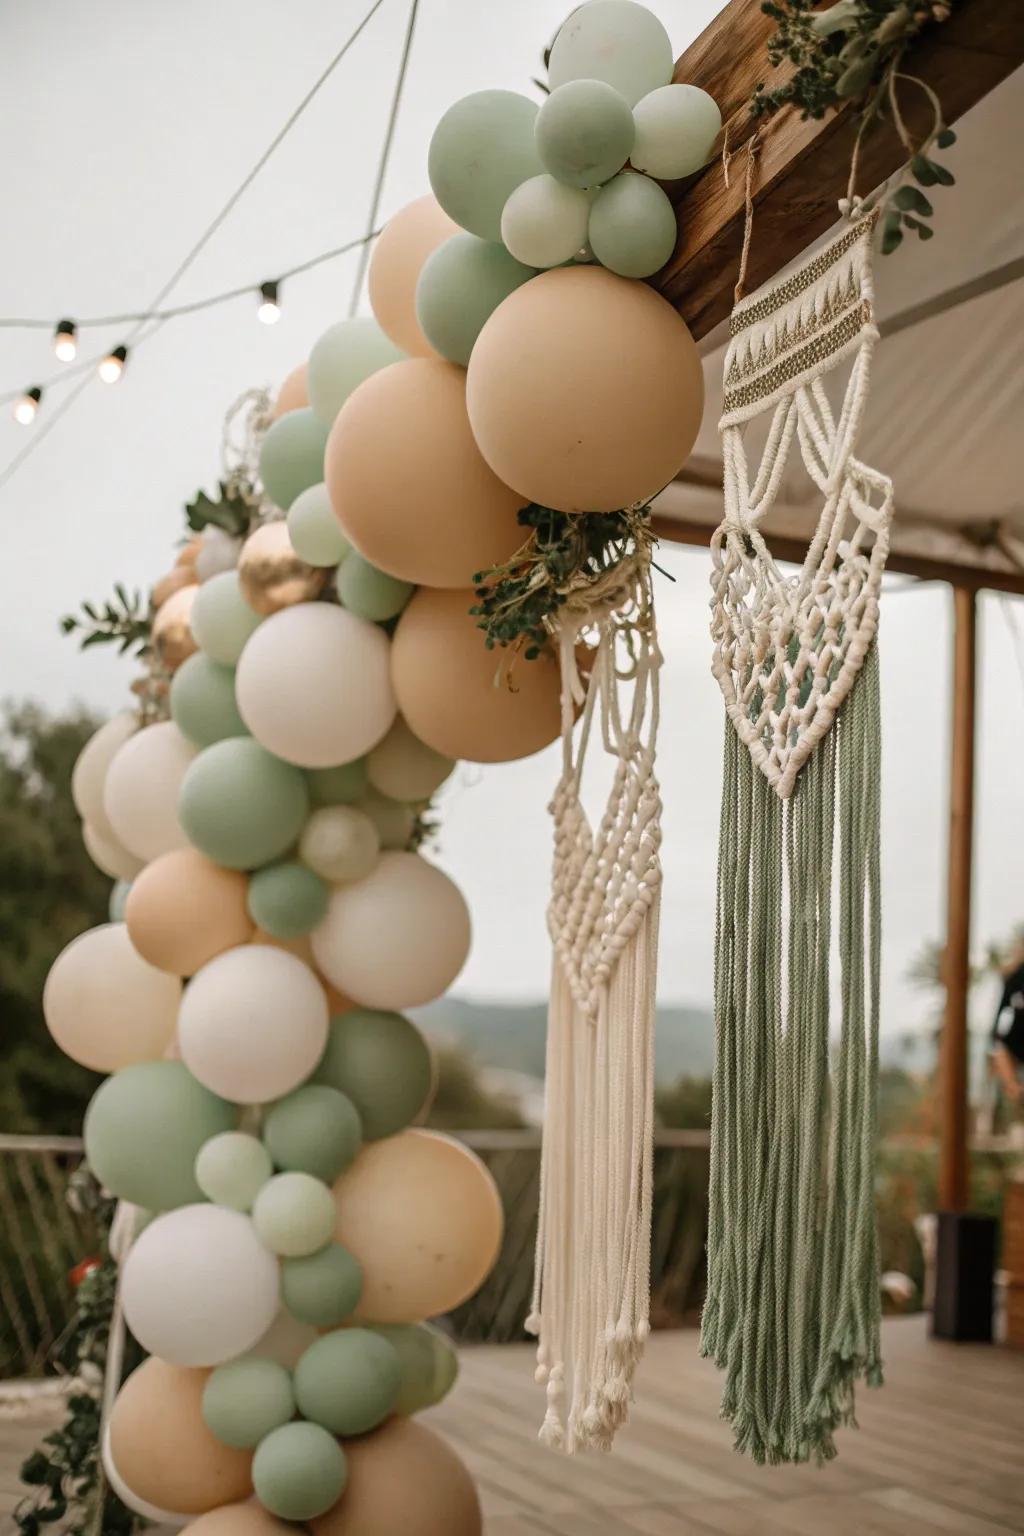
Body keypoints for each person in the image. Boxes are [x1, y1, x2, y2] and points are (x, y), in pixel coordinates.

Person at [991, 942, 1024, 1103]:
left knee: (1000, 1048)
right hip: (1016, 1037)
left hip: (1014, 1036)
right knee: (1000, 1049)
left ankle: (1015, 1088)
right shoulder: (1014, 979)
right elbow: (1001, 1009)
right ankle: (1015, 1088)